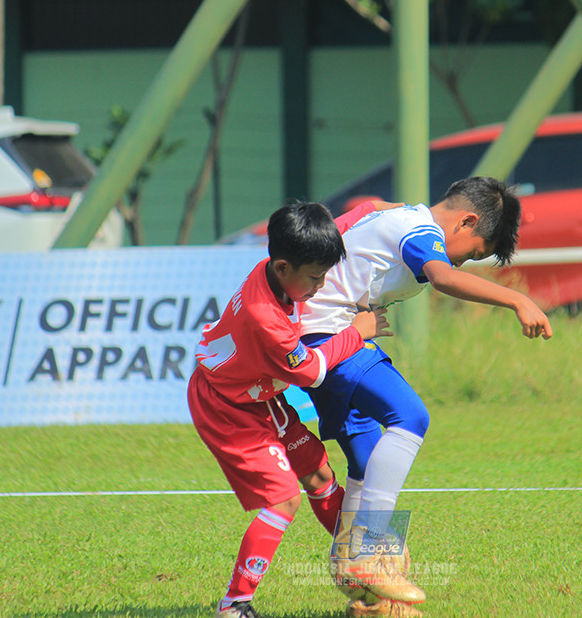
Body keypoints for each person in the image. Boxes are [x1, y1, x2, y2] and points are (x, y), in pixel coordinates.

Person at [300, 177, 553, 613]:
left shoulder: (398, 218)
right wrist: (516, 299)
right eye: (474, 251)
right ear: (467, 221)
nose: (466, 260)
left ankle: (353, 570)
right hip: (327, 334)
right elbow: (442, 277)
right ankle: (372, 553)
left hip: (321, 335)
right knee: (411, 417)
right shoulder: (420, 230)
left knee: (365, 453)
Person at [187, 201, 391, 618]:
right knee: (283, 500)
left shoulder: (295, 258)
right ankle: (235, 604)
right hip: (227, 406)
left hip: (258, 396)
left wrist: (382, 208)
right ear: (283, 268)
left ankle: (363, 567)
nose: (322, 285)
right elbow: (312, 371)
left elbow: (349, 220)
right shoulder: (267, 317)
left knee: (319, 473)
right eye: (316, 278)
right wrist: (357, 332)